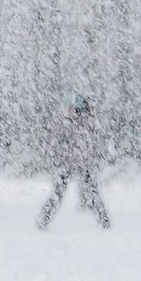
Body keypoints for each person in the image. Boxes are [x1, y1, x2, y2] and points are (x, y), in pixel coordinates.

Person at [39, 93, 112, 229]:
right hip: (73, 164)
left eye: (70, 107)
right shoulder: (74, 122)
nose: (67, 110)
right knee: (62, 193)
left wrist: (56, 157)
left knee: (86, 194)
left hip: (78, 164)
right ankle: (44, 220)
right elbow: (54, 143)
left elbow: (97, 144)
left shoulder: (78, 122)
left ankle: (104, 221)